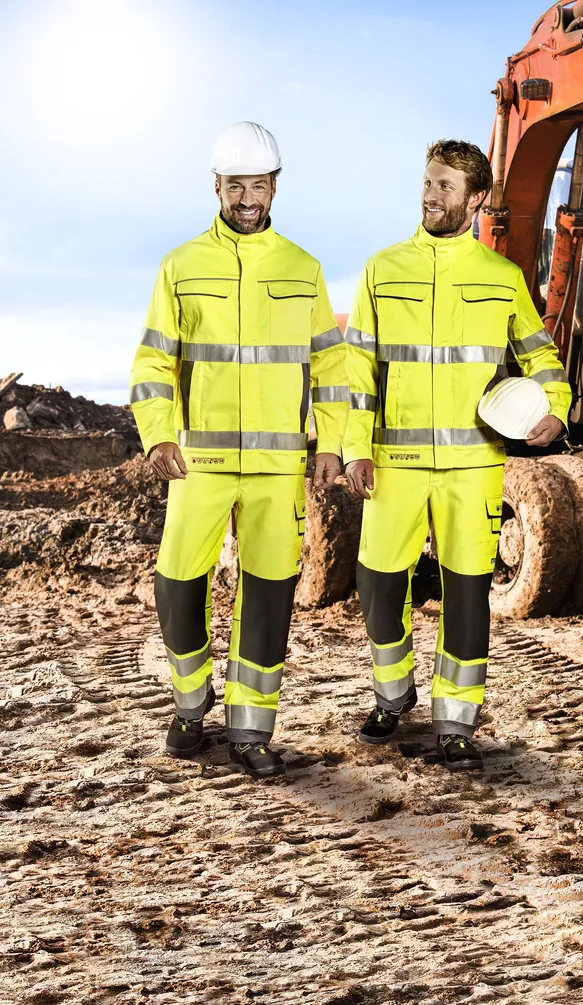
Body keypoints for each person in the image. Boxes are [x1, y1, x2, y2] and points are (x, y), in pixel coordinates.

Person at [343, 139, 572, 771]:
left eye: (446, 187)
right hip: (396, 464)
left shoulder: (502, 279)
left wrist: (556, 405)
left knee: (468, 594)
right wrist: (354, 447)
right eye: (427, 182)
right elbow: (355, 367)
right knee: (377, 585)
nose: (431, 196)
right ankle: (394, 694)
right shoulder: (381, 269)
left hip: (475, 465)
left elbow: (540, 355)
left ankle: (456, 721)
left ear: (476, 200)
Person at [129, 122, 347, 779]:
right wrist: (158, 431)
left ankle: (251, 730)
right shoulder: (181, 265)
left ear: (275, 187)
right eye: (235, 186)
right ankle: (192, 702)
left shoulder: (303, 270)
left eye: (258, 185)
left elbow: (330, 366)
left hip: (278, 466)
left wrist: (331, 442)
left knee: (269, 592)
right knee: (176, 583)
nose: (247, 197)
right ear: (216, 186)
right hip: (200, 460)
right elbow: (152, 361)